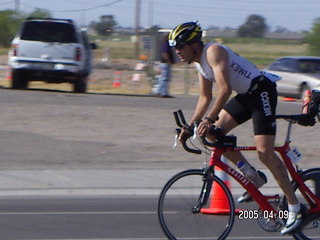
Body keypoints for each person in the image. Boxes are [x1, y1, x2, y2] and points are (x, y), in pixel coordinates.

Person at [168, 21, 305, 235]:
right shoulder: (199, 64)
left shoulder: (213, 52)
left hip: (261, 92)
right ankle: (253, 176)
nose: (177, 52)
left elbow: (224, 89)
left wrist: (209, 119)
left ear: (194, 44)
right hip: (245, 96)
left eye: (180, 46)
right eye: (175, 48)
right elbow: (205, 97)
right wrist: (191, 125)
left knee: (265, 153)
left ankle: (295, 206)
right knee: (214, 135)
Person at [157, 33, 175, 98]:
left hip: (163, 63)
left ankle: (159, 91)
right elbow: (165, 53)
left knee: (163, 78)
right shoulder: (166, 44)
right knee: (165, 78)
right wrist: (168, 60)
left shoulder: (164, 44)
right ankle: (163, 93)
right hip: (165, 64)